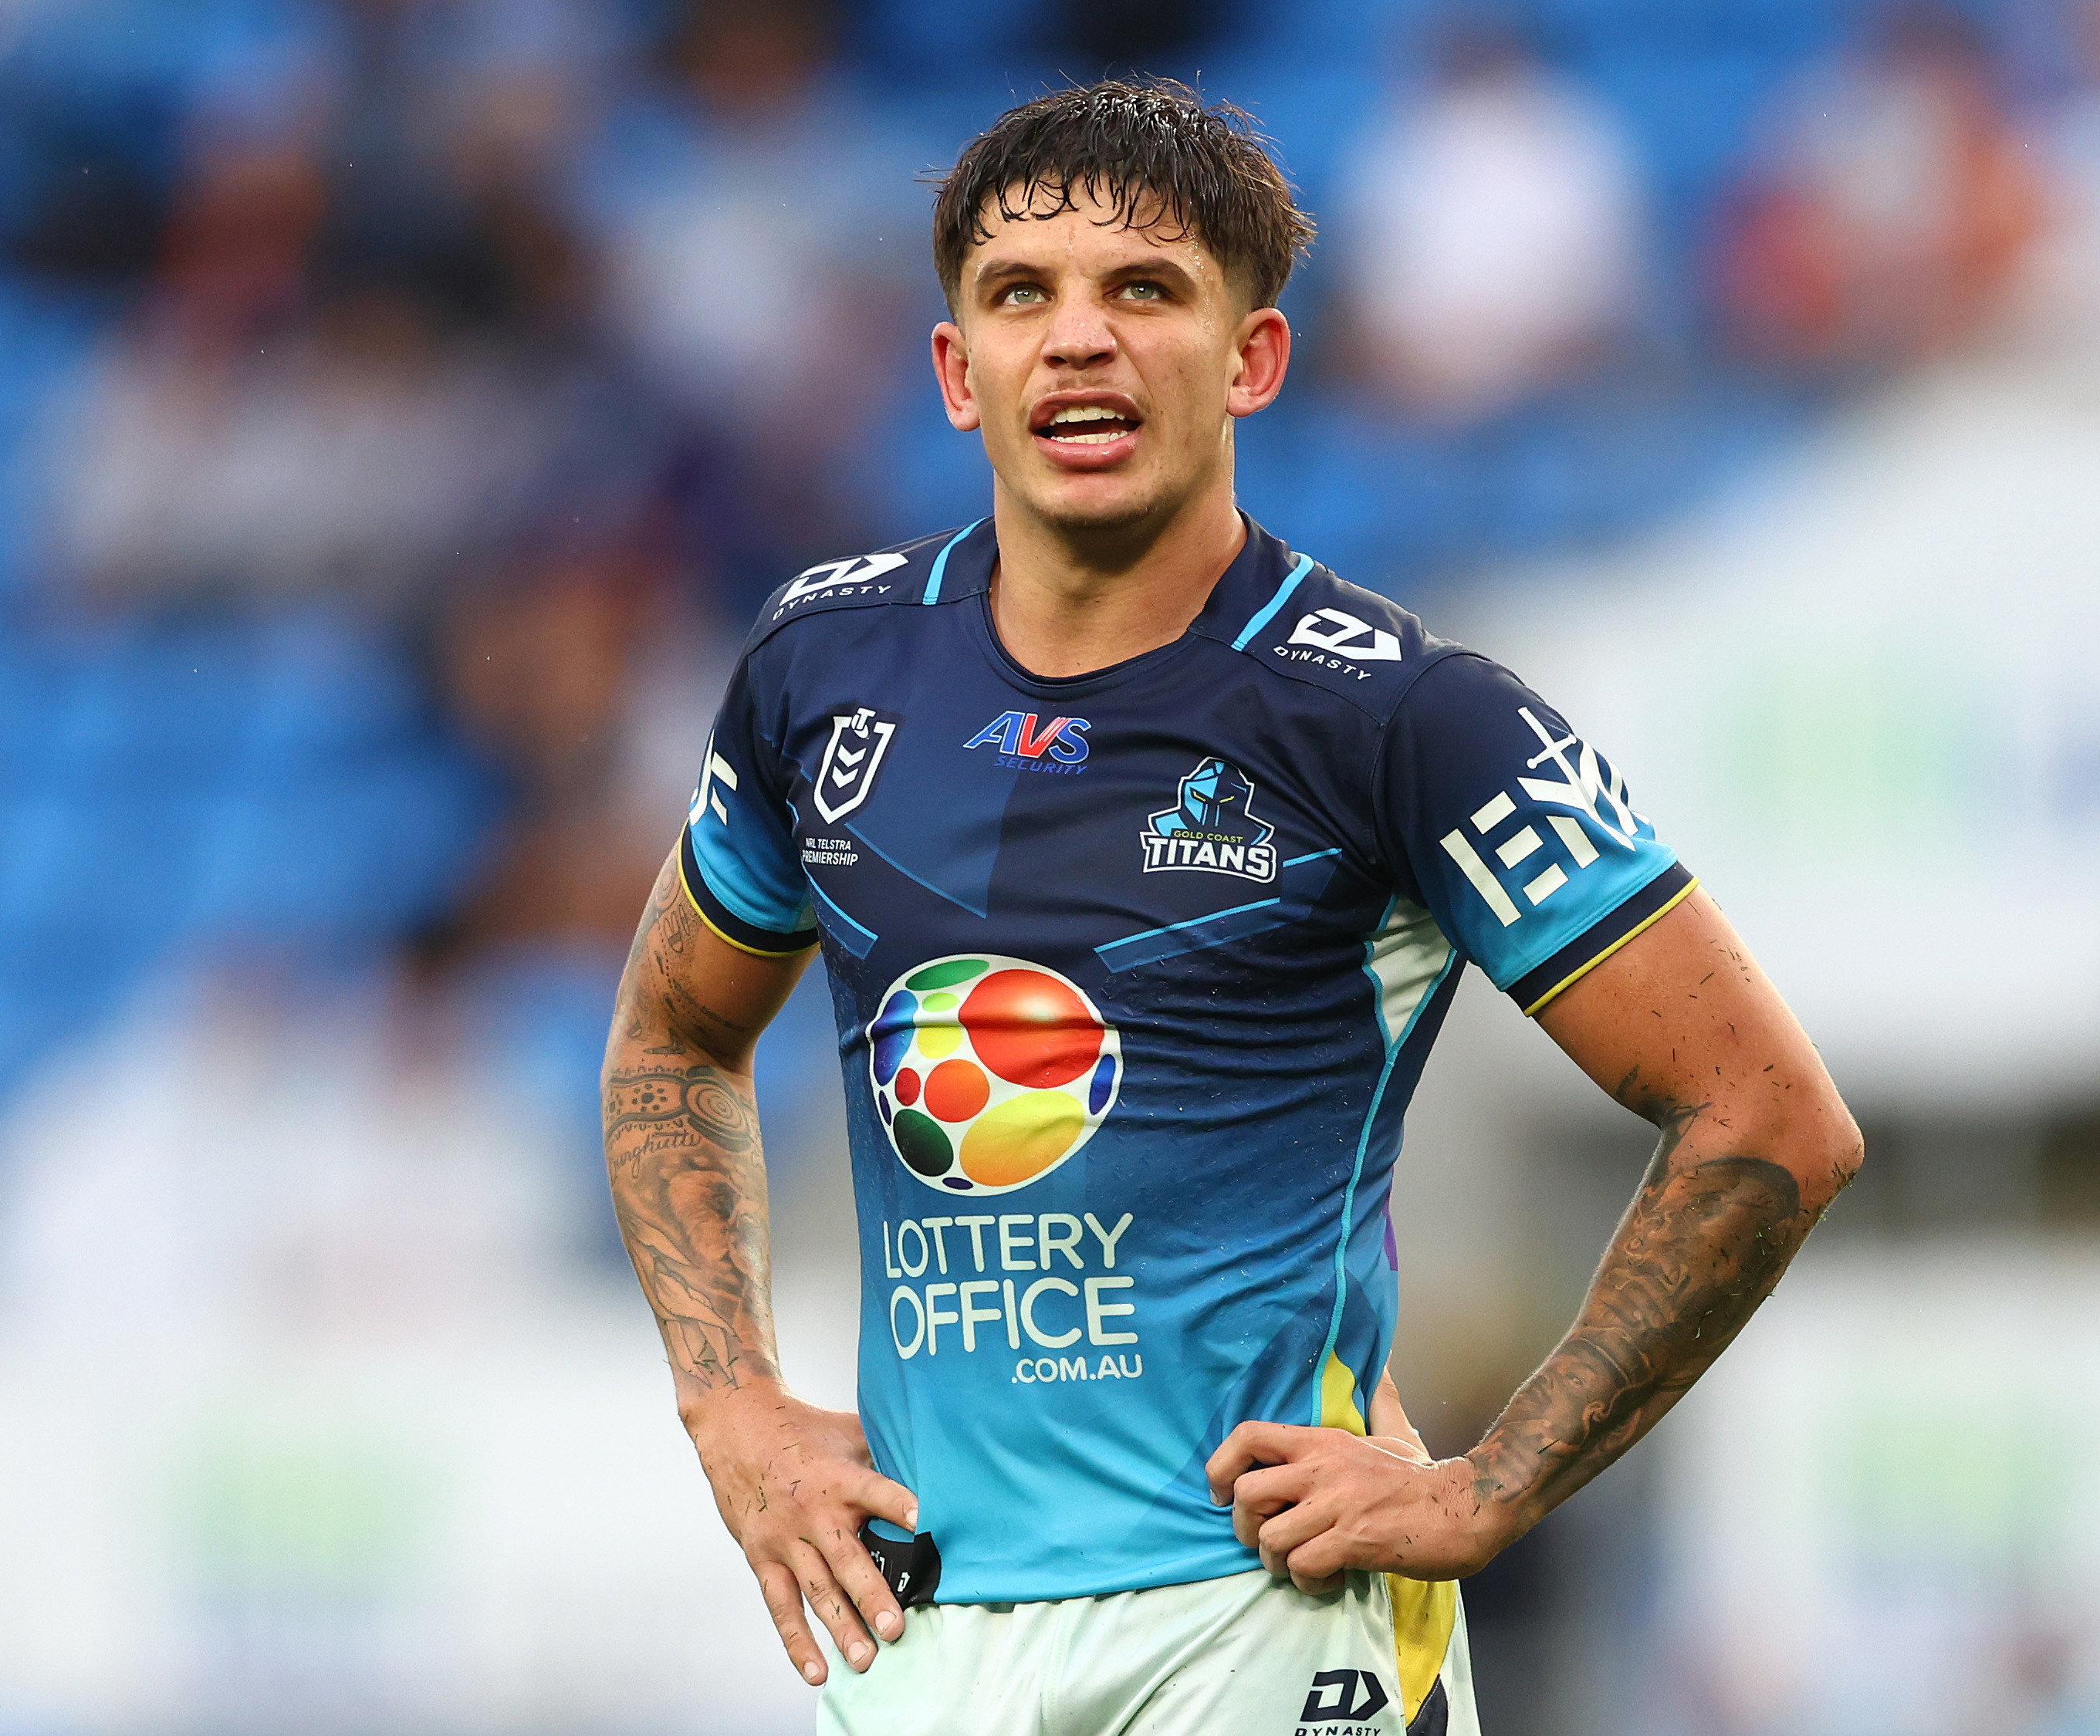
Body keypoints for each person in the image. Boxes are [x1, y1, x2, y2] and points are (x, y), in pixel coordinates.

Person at [600, 79, 1861, 1736]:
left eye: (1142, 290)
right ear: (951, 372)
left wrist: (1493, 1481)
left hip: (1266, 1615)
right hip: (915, 1632)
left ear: (1251, 357)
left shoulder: (1405, 716)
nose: (1075, 341)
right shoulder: (815, 669)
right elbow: (671, 1040)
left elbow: (1768, 1115)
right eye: (1018, 298)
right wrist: (732, 1411)